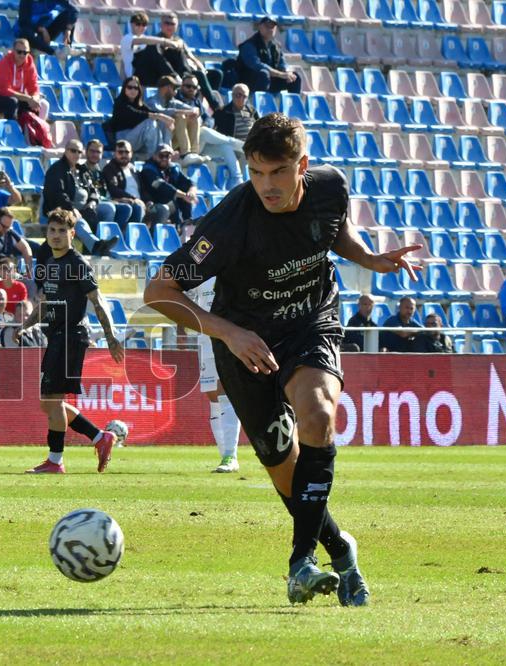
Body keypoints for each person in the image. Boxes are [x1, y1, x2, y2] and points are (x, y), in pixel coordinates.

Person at [144, 113, 420, 605]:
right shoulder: (230, 221)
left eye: (277, 172)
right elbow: (159, 290)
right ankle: (339, 549)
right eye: (256, 172)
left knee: (318, 414)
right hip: (243, 340)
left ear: (302, 166)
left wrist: (371, 259)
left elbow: (334, 232)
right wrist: (229, 333)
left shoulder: (331, 186)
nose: (265, 185)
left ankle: (299, 564)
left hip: (310, 319)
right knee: (284, 469)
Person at [19, 208, 123, 474]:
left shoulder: (77, 263)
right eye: (52, 230)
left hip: (71, 335)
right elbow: (45, 303)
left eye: (62, 231)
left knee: (52, 401)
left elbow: (97, 301)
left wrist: (111, 337)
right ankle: (101, 438)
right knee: (48, 402)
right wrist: (25, 325)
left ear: (72, 234)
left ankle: (55, 461)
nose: (56, 235)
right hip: (56, 336)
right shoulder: (50, 264)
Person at [192, 277, 241, 473]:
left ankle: (231, 455)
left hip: (227, 334)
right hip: (205, 336)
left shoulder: (232, 264)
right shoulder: (200, 267)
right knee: (213, 396)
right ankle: (224, 455)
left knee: (224, 393)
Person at [105, 75, 173, 161]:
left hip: (136, 138)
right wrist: (161, 116)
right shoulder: (119, 103)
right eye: (130, 87)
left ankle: (165, 151)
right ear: (124, 89)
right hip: (123, 139)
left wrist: (165, 120)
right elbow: (136, 114)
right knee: (150, 121)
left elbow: (152, 112)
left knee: (162, 122)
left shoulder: (139, 104)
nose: (133, 90)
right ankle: (155, 157)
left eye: (135, 88)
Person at [148, 74, 207, 167]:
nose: (176, 92)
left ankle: (194, 153)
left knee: (192, 117)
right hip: (159, 141)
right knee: (180, 116)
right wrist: (181, 112)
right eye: (174, 88)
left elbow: (192, 109)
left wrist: (194, 110)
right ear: (167, 88)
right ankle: (185, 153)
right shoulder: (152, 101)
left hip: (171, 138)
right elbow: (160, 111)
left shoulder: (171, 101)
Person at [237, 16, 300, 94]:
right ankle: (260, 102)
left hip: (270, 81)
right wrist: (280, 74)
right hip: (249, 82)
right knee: (264, 74)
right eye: (267, 26)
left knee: (294, 77)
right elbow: (257, 65)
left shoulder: (276, 46)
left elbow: (282, 63)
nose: (270, 29)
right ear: (260, 27)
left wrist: (287, 72)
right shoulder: (249, 45)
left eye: (272, 27)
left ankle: (293, 104)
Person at [139, 143, 197, 228]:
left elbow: (189, 182)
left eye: (168, 156)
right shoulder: (148, 169)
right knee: (173, 200)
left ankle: (187, 223)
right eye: (161, 156)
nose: (165, 159)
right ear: (154, 156)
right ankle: (177, 228)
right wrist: (183, 195)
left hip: (168, 200)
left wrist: (191, 192)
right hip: (151, 202)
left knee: (185, 191)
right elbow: (161, 186)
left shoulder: (173, 168)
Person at [0, 38, 42, 120]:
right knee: (12, 102)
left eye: (25, 53)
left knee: (35, 105)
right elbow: (4, 90)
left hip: (15, 96)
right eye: (19, 52)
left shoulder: (29, 64)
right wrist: (28, 98)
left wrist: (34, 99)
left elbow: (34, 88)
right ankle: (11, 131)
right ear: (13, 51)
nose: (22, 55)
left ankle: (31, 131)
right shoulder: (4, 63)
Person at [101, 140, 146, 227]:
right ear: (115, 153)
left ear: (131, 153)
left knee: (159, 209)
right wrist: (134, 199)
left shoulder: (134, 169)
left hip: (139, 202)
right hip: (122, 202)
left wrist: (148, 201)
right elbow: (114, 189)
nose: (124, 155)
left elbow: (143, 189)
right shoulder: (110, 168)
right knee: (137, 208)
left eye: (127, 152)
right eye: (120, 152)